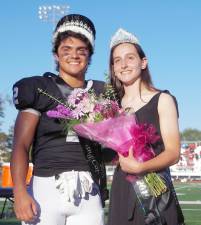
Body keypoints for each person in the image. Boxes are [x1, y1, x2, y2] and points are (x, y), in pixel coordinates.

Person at [11, 14, 108, 225]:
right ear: (56, 54)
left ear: (90, 55)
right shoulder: (39, 88)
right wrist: (19, 190)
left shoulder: (102, 92)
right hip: (46, 189)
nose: (74, 55)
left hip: (89, 190)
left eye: (81, 50)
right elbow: (21, 145)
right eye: (67, 49)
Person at [107, 28, 185, 225]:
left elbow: (173, 153)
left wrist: (140, 166)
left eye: (130, 58)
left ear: (143, 62)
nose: (123, 65)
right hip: (121, 190)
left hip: (153, 193)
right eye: (117, 60)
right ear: (113, 67)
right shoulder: (110, 107)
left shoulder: (163, 99)